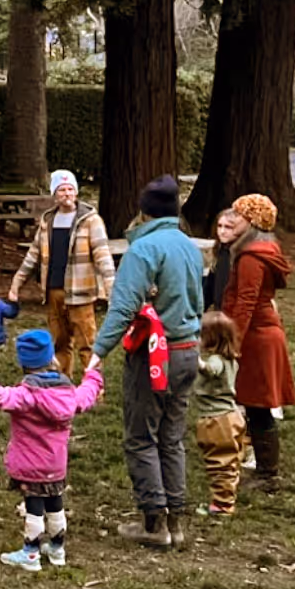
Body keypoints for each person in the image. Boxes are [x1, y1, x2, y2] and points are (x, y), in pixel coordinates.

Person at [86, 175, 204, 549]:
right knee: (172, 436)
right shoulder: (188, 246)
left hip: (155, 354)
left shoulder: (143, 250)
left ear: (144, 210)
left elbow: (122, 307)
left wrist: (98, 352)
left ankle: (153, 523)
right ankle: (176, 521)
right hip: (189, 349)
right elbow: (200, 301)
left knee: (141, 437)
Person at [0, 330, 104, 571]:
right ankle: (57, 549)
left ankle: (31, 553)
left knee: (34, 507)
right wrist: (93, 375)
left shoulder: (26, 395)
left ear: (24, 363)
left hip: (30, 466)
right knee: (55, 503)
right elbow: (87, 394)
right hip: (56, 465)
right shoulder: (69, 394)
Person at [8, 169, 116, 378]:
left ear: (76, 192)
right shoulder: (48, 221)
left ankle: (93, 389)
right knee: (60, 342)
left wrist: (112, 288)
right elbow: (33, 255)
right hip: (53, 291)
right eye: (61, 190)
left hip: (81, 293)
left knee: (87, 344)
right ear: (54, 195)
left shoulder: (91, 220)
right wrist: (16, 283)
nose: (66, 193)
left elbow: (103, 255)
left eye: (70, 189)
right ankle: (63, 383)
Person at [220, 194, 294, 491]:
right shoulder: (265, 249)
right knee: (255, 403)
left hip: (257, 338)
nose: (233, 220)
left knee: (259, 405)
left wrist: (232, 340)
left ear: (250, 222)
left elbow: (246, 302)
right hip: (262, 333)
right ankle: (265, 469)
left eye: (238, 216)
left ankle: (268, 473)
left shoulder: (251, 257)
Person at [193, 311, 243, 516]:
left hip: (217, 420)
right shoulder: (232, 360)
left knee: (219, 463)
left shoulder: (216, 361)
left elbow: (209, 370)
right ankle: (226, 500)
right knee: (231, 463)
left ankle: (222, 506)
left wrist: (193, 357)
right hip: (232, 416)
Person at [204, 209, 239, 312]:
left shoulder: (242, 255)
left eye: (228, 227)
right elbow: (209, 289)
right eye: (219, 226)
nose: (222, 231)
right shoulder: (220, 251)